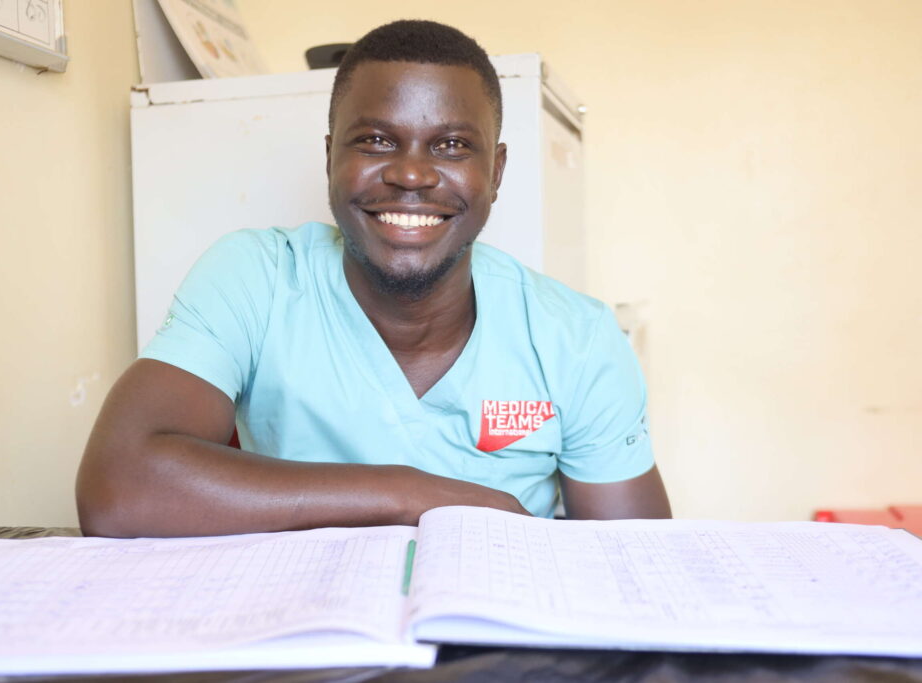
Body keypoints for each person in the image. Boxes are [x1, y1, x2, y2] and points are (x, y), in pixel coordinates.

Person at [76, 20, 670, 538]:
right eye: (377, 140)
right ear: (331, 155)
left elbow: (642, 567)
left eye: (453, 146)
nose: (411, 173)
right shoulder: (255, 277)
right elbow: (119, 485)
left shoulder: (577, 336)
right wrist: (417, 495)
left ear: (497, 172)